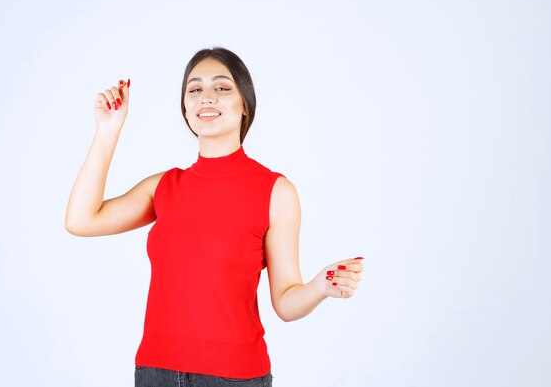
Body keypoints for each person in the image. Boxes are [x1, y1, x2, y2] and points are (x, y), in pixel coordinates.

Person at [65, 47, 365, 387]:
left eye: (222, 87)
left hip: (234, 378)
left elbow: (285, 302)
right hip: (154, 373)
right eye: (195, 90)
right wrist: (108, 131)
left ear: (245, 106)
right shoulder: (162, 186)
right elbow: (81, 220)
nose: (206, 97)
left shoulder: (276, 191)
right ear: (185, 109)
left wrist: (319, 287)